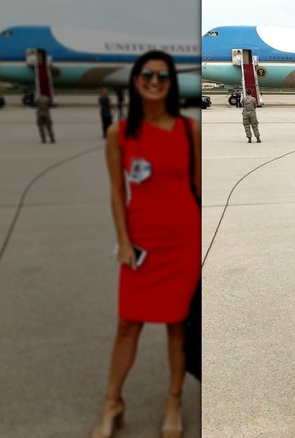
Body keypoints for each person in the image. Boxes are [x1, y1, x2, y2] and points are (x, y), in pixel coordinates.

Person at [92, 50, 201, 438]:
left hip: (183, 241)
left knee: (176, 327)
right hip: (140, 243)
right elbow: (116, 193)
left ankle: (174, 401)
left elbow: (199, 188)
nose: (154, 81)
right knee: (128, 324)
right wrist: (123, 241)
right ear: (136, 80)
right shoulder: (119, 133)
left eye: (162, 76)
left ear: (171, 83)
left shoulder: (189, 130)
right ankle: (112, 402)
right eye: (147, 74)